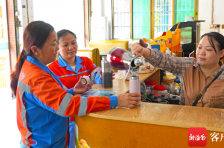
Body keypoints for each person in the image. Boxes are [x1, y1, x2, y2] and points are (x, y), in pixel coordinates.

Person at [10, 21, 141, 148]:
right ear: (35, 50)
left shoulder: (37, 68)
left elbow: (49, 99)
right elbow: (69, 106)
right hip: (44, 143)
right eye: (54, 44)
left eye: (57, 43)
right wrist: (115, 101)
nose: (57, 48)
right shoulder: (37, 77)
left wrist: (71, 91)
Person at [131, 32, 224, 108]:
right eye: (200, 47)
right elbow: (165, 60)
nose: (201, 52)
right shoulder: (188, 65)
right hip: (188, 127)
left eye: (208, 49)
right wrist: (143, 51)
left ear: (221, 53)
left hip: (215, 132)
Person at [47, 29, 112, 148]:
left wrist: (102, 75)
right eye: (65, 45)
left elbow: (96, 74)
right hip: (69, 118)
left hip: (89, 111)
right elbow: (57, 96)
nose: (71, 47)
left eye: (73, 43)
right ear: (57, 47)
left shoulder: (85, 61)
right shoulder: (51, 69)